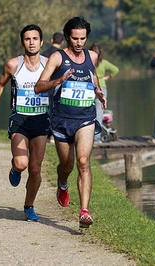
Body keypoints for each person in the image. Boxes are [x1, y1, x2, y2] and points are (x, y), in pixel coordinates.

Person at [34, 17, 106, 228]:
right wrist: (59, 80)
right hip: (61, 120)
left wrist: (98, 91)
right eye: (75, 38)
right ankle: (62, 183)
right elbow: (39, 87)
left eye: (83, 38)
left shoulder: (91, 56)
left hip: (85, 118)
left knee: (83, 162)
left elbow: (92, 78)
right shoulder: (57, 58)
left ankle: (84, 211)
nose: (79, 42)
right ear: (67, 37)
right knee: (67, 165)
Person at [0, 25, 50, 222]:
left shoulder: (49, 65)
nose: (31, 42)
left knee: (35, 168)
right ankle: (15, 169)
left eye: (35, 38)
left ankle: (29, 206)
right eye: (27, 39)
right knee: (22, 163)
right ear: (22, 42)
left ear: (41, 42)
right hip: (20, 119)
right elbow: (0, 84)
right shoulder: (14, 64)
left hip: (41, 119)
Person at [89, 42, 119, 143]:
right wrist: (107, 77)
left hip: (89, 86)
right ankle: (96, 138)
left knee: (87, 112)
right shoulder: (104, 62)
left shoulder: (88, 61)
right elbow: (115, 70)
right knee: (99, 113)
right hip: (101, 86)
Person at [42, 32, 64, 144]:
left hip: (46, 86)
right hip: (59, 87)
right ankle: (54, 135)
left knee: (46, 110)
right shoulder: (62, 55)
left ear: (52, 40)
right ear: (63, 42)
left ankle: (45, 133)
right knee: (57, 111)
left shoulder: (45, 53)